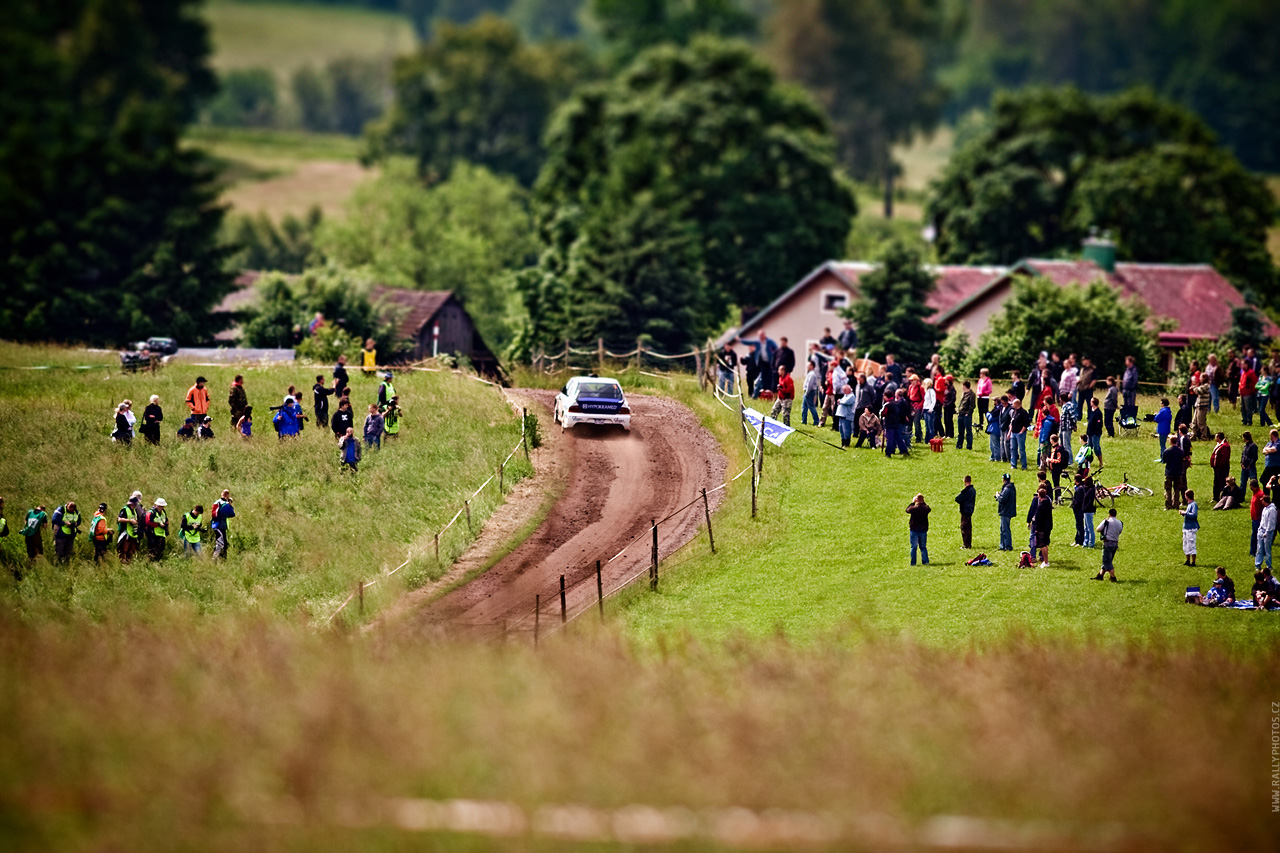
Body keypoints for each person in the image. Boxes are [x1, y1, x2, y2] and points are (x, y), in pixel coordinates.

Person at [1094, 508, 1122, 581]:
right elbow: (1120, 531)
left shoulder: (1107, 521)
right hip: (1115, 543)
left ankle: (1113, 577)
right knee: (1108, 560)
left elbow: (1098, 529)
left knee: (1106, 561)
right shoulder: (1119, 523)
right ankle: (1100, 575)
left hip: (1107, 543)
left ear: (1109, 514)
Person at [117, 492, 143, 564]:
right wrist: (129, 521)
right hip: (125, 532)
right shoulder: (124, 510)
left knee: (132, 550)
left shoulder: (134, 510)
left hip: (133, 532)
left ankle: (129, 563)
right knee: (124, 550)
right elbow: (119, 519)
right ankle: (122, 562)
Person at [1031, 485, 1053, 567]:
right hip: (1048, 526)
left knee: (1042, 545)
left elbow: (1038, 518)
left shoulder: (1040, 506)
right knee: (1046, 544)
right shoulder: (1048, 502)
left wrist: (1037, 529)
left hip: (1042, 528)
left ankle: (1046, 562)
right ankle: (1045, 560)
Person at [906, 494, 930, 565]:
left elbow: (907, 510)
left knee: (913, 547)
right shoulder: (925, 508)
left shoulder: (913, 508)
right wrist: (923, 502)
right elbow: (928, 508)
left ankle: (913, 563)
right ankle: (925, 561)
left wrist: (913, 503)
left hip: (914, 530)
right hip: (923, 530)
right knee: (923, 547)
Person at [210, 490, 235, 560]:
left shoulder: (216, 502)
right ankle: (214, 560)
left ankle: (222, 560)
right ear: (227, 495)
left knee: (223, 544)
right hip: (220, 526)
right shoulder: (225, 504)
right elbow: (232, 514)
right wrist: (230, 504)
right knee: (220, 544)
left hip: (216, 525)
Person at [996, 472, 1017, 551]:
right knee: (1004, 529)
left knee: (1005, 529)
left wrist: (998, 496)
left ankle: (1007, 546)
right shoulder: (1011, 487)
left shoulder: (1007, 488)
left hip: (1005, 511)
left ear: (1004, 479)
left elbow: (1002, 499)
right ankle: (1003, 545)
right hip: (1009, 510)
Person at [1256, 492, 1277, 571]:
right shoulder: (1265, 508)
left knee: (1267, 550)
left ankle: (1269, 566)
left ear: (1265, 501)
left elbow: (1271, 522)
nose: (1261, 502)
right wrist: (1259, 529)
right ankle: (1258, 565)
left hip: (1268, 532)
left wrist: (1267, 532)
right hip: (1261, 530)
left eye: (1262, 501)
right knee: (1260, 549)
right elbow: (1263, 520)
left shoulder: (1272, 510)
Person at [1009, 398, 1030, 470]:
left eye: (1013, 404)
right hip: (1013, 433)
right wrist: (1009, 432)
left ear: (1017, 404)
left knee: (1021, 450)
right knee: (1013, 449)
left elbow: (1026, 423)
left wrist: (1021, 431)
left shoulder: (1023, 412)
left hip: (1020, 433)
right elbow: (1012, 422)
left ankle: (1024, 465)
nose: (1012, 405)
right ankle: (1013, 464)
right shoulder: (1014, 412)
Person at [1180, 490, 1200, 567]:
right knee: (1186, 544)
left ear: (1187, 496)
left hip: (1191, 528)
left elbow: (1194, 515)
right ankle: (1188, 560)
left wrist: (1185, 513)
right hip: (1186, 527)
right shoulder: (1189, 504)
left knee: (1191, 544)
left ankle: (1193, 562)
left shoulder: (1194, 504)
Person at [955, 476, 976, 549]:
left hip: (965, 510)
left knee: (964, 528)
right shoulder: (973, 490)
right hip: (970, 510)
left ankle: (966, 544)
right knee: (969, 528)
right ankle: (968, 543)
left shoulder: (966, 490)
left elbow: (957, 499)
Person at [1209, 432, 1232, 501]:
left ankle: (1224, 496)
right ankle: (1216, 496)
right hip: (1217, 467)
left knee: (1222, 482)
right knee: (1216, 482)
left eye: (1216, 437)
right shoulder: (1219, 444)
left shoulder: (1225, 446)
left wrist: (1219, 465)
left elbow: (1224, 458)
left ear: (1219, 437)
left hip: (1221, 468)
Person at [801, 361, 821, 426]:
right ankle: (804, 420)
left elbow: (810, 384)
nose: (807, 366)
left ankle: (816, 421)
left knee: (811, 407)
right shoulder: (809, 373)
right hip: (808, 392)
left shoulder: (812, 374)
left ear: (812, 366)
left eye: (808, 365)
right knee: (804, 407)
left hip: (809, 392)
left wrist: (806, 393)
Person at [956, 380, 975, 450]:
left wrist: (968, 413)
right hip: (961, 414)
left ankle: (969, 446)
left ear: (965, 386)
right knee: (960, 431)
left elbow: (972, 405)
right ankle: (959, 445)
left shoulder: (971, 394)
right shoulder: (963, 393)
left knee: (968, 431)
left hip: (966, 415)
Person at [1250, 478, 1264, 556]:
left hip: (1258, 518)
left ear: (1252, 486)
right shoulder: (1255, 493)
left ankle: (1255, 552)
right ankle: (1253, 551)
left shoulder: (1260, 494)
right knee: (1254, 535)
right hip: (1254, 518)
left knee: (1256, 536)